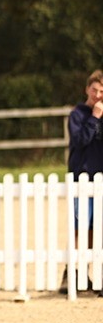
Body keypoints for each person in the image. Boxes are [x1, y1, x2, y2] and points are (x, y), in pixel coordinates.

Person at [62, 69, 103, 295]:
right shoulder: (77, 114)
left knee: (100, 228)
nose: (97, 95)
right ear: (87, 89)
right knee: (81, 227)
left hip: (101, 180)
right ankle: (73, 273)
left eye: (101, 91)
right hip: (82, 179)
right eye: (94, 90)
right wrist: (95, 117)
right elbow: (80, 141)